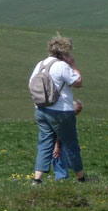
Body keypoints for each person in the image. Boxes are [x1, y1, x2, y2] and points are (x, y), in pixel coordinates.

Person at [29, 33, 85, 184]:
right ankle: (81, 178)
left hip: (41, 109)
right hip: (61, 111)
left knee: (45, 144)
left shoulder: (40, 65)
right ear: (64, 52)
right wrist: (73, 64)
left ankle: (37, 179)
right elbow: (78, 82)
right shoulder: (62, 66)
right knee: (71, 144)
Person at [51, 99, 83, 180]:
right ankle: (61, 179)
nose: (78, 113)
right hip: (58, 141)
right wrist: (57, 146)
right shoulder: (65, 117)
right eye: (77, 110)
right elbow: (59, 132)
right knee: (59, 157)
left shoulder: (70, 116)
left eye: (79, 111)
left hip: (65, 141)